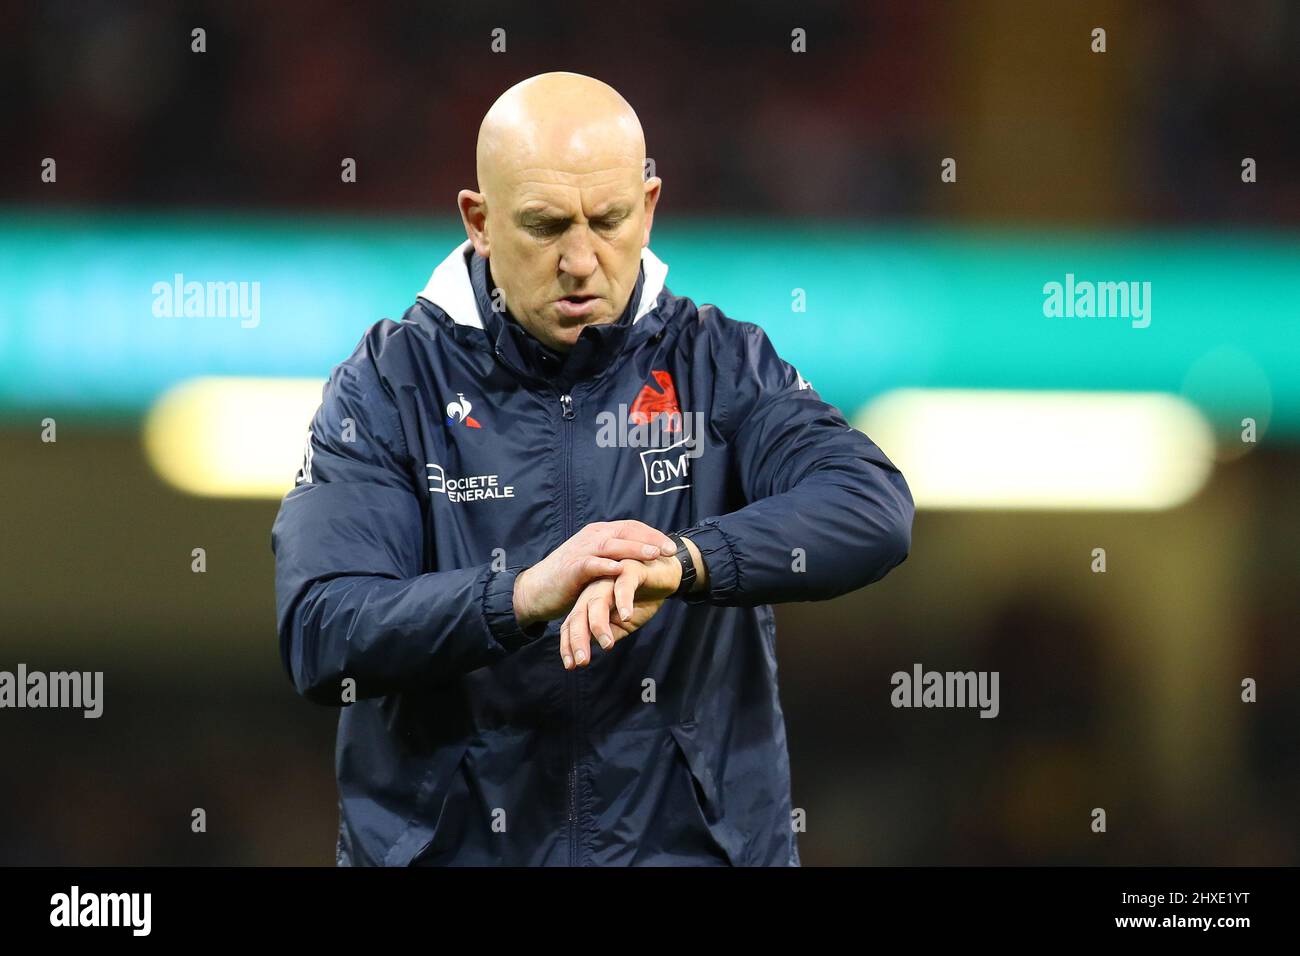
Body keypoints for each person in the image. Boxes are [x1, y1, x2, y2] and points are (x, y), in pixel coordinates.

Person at [271, 72, 914, 866]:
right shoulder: (388, 384)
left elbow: (873, 507)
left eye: (608, 221)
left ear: (647, 208)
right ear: (478, 220)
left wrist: (686, 562)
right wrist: (519, 597)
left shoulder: (722, 365)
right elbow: (323, 628)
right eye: (545, 226)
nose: (581, 261)